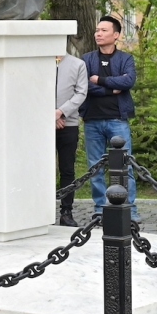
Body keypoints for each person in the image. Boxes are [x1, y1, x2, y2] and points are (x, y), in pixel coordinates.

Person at [82, 16, 138, 219]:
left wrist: (100, 80)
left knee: (124, 166)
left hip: (118, 120)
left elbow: (128, 81)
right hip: (92, 119)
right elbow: (84, 86)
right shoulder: (87, 59)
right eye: (97, 30)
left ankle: (129, 209)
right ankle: (99, 209)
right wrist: (110, 88)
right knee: (95, 167)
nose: (98, 33)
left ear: (116, 35)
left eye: (104, 30)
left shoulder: (125, 59)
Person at [55, 53, 89, 226]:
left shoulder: (78, 64)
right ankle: (39, 212)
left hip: (68, 123)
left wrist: (61, 112)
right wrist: (50, 115)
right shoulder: (37, 58)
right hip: (41, 124)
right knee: (40, 169)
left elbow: (81, 92)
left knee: (67, 169)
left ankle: (66, 211)